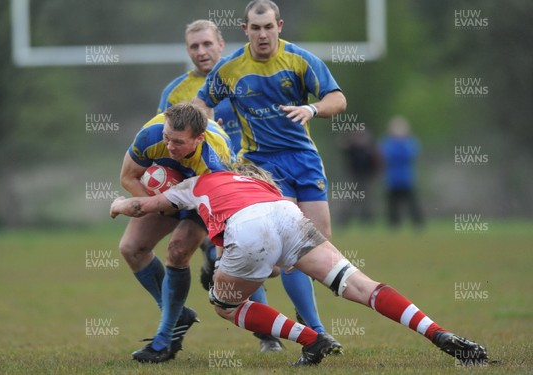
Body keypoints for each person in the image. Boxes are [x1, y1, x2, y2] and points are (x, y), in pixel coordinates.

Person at [110, 163, 489, 367]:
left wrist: (119, 205)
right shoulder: (254, 179)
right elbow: (273, 256)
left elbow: (145, 206)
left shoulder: (189, 187)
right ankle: (439, 333)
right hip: (285, 214)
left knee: (223, 305)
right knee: (360, 285)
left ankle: (313, 339)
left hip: (249, 228)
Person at [193, 0, 346, 349]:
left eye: (268, 27)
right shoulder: (230, 68)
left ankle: (242, 271)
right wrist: (206, 124)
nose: (262, 34)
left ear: (279, 25)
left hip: (303, 159)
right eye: (255, 28)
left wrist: (312, 107)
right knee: (293, 244)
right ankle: (311, 331)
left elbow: (338, 99)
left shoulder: (300, 60)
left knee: (318, 241)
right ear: (245, 30)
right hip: (261, 164)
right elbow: (204, 101)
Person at [156, 19, 283, 352]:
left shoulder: (241, 77)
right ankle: (168, 334)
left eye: (207, 44)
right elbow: (164, 143)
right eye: (194, 46)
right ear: (187, 50)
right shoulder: (174, 92)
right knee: (175, 250)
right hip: (196, 189)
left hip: (242, 183)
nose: (201, 51)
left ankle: (270, 334)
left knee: (250, 252)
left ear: (221, 44)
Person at [117, 102, 234, 363]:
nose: (170, 146)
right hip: (168, 198)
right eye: (167, 138)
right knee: (131, 248)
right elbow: (128, 177)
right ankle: (178, 315)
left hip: (206, 197)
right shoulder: (150, 135)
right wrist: (162, 207)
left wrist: (221, 256)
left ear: (199, 138)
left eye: (178, 142)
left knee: (178, 250)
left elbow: (220, 211)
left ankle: (163, 341)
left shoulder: (216, 161)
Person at [379, 116, 424, 229]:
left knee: (412, 204)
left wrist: (399, 150)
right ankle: (394, 225)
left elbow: (411, 154)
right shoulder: (387, 142)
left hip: (406, 179)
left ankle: (418, 224)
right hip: (392, 179)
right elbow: (384, 155)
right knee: (392, 205)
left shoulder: (410, 142)